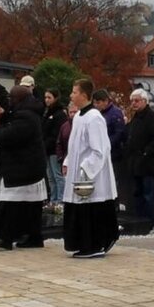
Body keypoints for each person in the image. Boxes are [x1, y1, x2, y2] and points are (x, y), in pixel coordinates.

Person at [62, 78, 119, 258]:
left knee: (92, 208)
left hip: (91, 175)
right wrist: (68, 161)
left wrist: (85, 168)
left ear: (84, 95)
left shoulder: (94, 118)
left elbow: (100, 149)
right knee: (79, 209)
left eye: (74, 92)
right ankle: (82, 243)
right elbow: (75, 145)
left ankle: (94, 244)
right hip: (77, 172)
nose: (71, 95)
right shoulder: (79, 116)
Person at [0, 85, 48, 249]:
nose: (9, 102)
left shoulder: (25, 117)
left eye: (12, 99)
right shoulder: (26, 111)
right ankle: (33, 236)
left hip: (23, 168)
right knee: (30, 205)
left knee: (12, 204)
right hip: (27, 166)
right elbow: (5, 102)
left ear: (18, 99)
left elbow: (8, 135)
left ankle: (6, 237)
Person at [126, 88, 154, 227]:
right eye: (132, 101)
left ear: (144, 101)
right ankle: (139, 220)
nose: (134, 104)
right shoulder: (136, 117)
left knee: (149, 193)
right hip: (136, 162)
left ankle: (149, 221)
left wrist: (146, 152)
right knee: (137, 193)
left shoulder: (152, 117)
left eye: (136, 101)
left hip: (149, 163)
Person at [41, 88, 68, 210]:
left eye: (49, 97)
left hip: (54, 150)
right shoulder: (47, 113)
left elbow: (57, 133)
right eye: (45, 97)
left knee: (58, 175)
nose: (46, 100)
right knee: (50, 177)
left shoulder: (59, 114)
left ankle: (61, 200)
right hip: (46, 149)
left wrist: (47, 144)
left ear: (55, 98)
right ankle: (53, 200)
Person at [92, 89, 127, 163]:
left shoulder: (115, 113)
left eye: (98, 103)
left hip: (113, 153)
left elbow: (119, 133)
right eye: (94, 103)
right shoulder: (98, 113)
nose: (96, 105)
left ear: (106, 101)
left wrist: (106, 144)